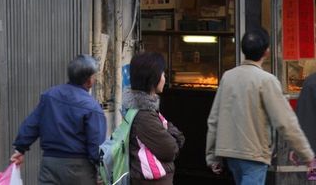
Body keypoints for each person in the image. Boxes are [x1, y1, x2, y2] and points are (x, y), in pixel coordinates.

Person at [207, 28, 315, 183]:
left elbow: (214, 119)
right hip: (254, 155)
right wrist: (307, 154)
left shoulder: (228, 77)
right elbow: (286, 122)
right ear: (267, 52)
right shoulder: (267, 80)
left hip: (230, 154)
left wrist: (212, 156)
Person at [8, 54, 106, 184]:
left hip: (50, 165)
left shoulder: (50, 96)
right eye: (94, 77)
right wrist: (101, 169)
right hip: (79, 169)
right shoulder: (92, 107)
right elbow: (96, 143)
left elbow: (31, 124)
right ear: (89, 81)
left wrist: (20, 149)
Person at [123, 52, 184, 185]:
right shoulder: (144, 116)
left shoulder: (144, 110)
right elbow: (170, 149)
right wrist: (170, 132)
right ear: (152, 78)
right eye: (162, 73)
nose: (164, 77)